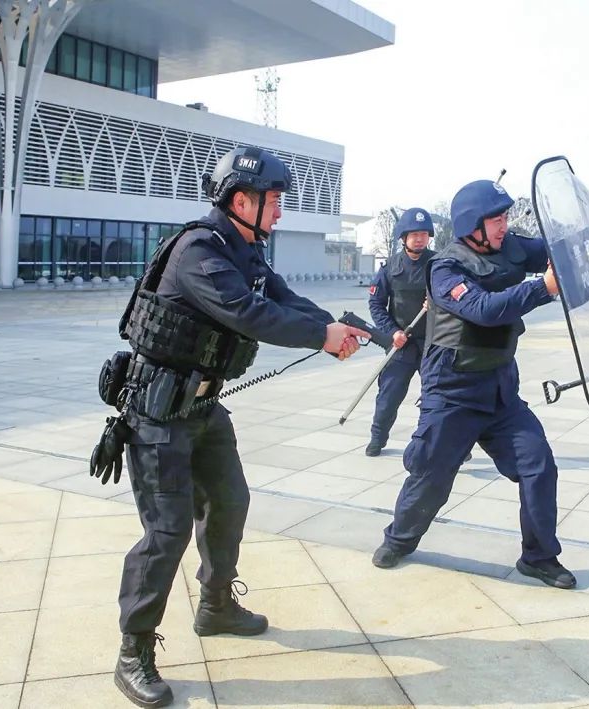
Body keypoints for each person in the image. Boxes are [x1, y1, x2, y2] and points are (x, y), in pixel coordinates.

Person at [107, 146, 367, 708]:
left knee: (229, 501)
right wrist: (319, 338)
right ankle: (133, 652)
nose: (278, 211)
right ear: (241, 199)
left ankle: (216, 605)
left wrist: (331, 325)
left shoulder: (244, 248)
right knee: (168, 530)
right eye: (273, 201)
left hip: (201, 408)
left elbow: (279, 296)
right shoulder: (202, 250)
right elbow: (248, 314)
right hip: (157, 412)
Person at [371, 179, 577, 589]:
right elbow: (484, 310)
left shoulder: (512, 247)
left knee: (538, 465)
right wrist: (543, 287)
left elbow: (559, 250)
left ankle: (538, 556)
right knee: (431, 474)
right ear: (471, 224)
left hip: (501, 391)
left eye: (505, 217)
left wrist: (576, 248)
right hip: (452, 393)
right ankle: (400, 539)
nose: (503, 226)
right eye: (495, 219)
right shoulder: (446, 268)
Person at [365, 207, 435, 456]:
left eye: (424, 234)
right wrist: (392, 332)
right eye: (414, 234)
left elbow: (455, 297)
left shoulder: (439, 265)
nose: (419, 238)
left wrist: (437, 303)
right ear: (403, 237)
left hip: (433, 344)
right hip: (401, 344)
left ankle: (445, 441)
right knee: (388, 396)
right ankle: (377, 438)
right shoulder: (389, 268)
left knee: (437, 398)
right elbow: (376, 304)